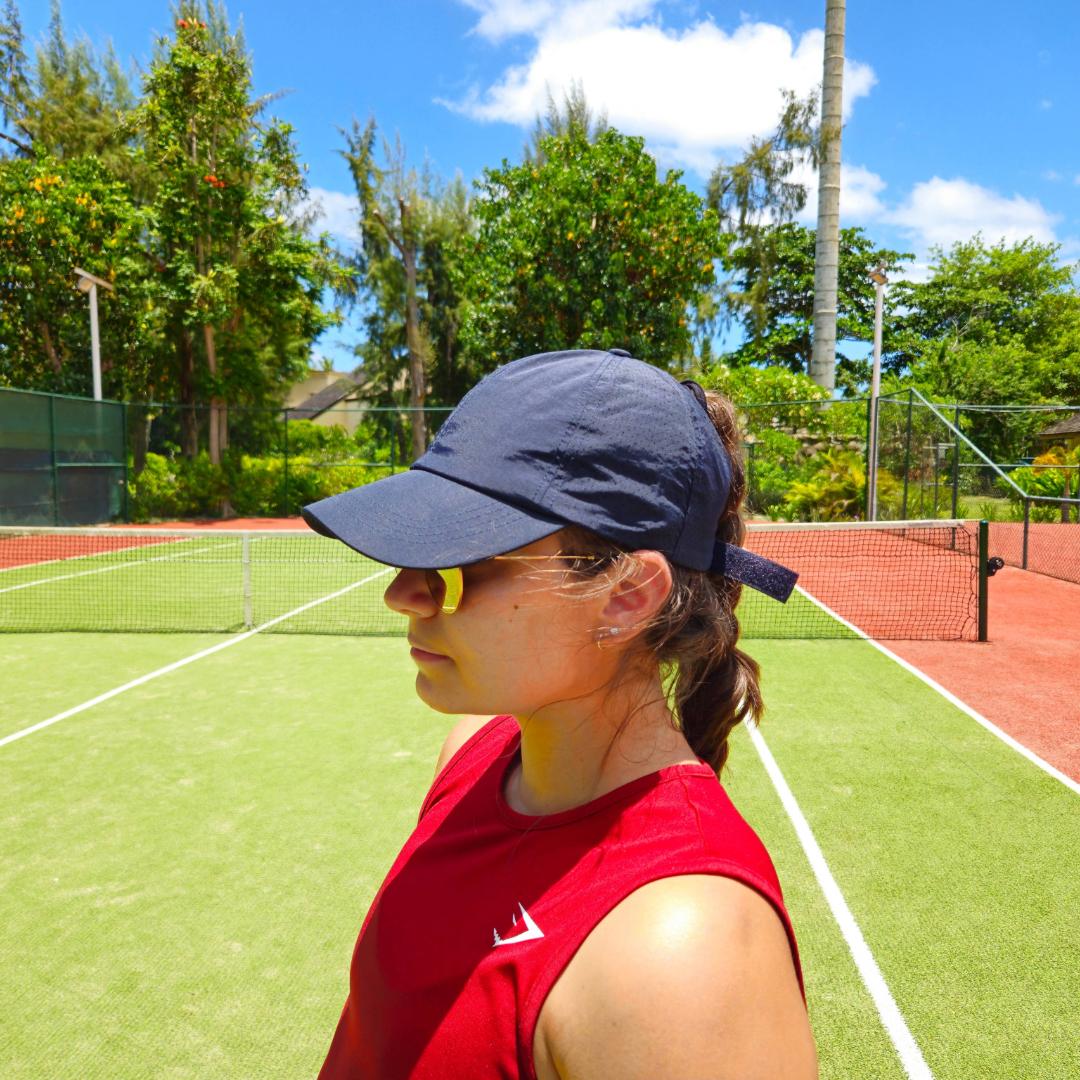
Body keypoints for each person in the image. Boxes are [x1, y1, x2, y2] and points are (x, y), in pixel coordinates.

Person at [303, 349, 818, 1080]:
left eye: (462, 558)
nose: (404, 595)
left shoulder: (681, 954)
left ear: (627, 596)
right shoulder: (475, 751)